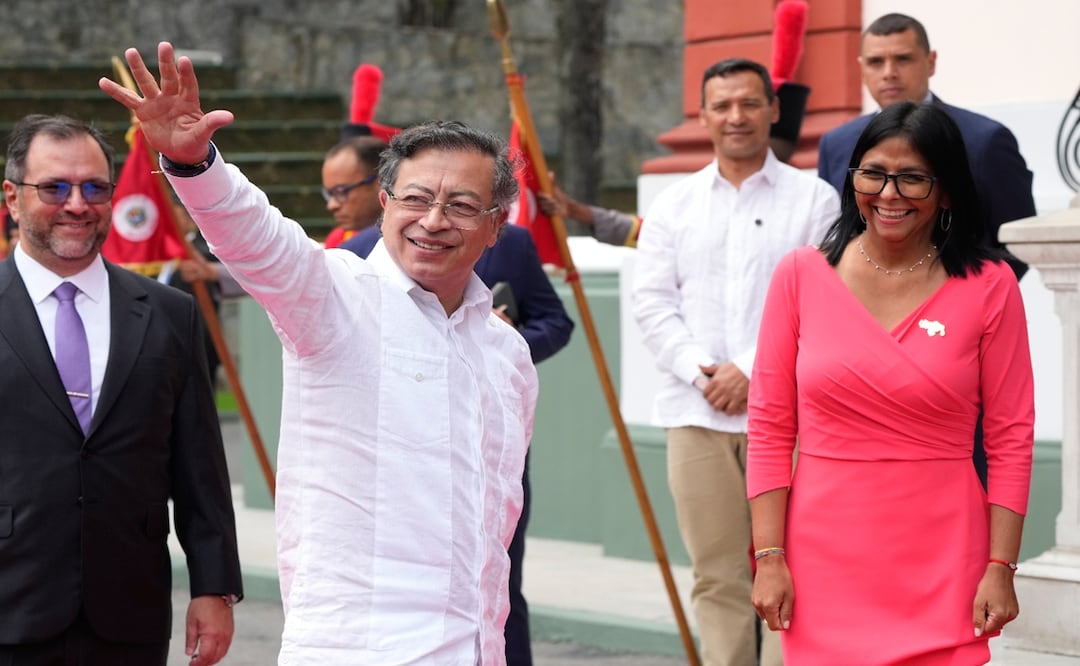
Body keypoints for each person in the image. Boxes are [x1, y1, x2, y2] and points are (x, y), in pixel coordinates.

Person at [100, 42, 540, 664]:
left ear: (497, 226)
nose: (434, 220)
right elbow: (258, 238)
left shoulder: (508, 356)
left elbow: (497, 524)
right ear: (384, 206)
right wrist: (193, 161)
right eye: (416, 199)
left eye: (462, 206)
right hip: (355, 646)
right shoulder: (334, 295)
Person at [748, 101, 1034, 663]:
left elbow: (1010, 438)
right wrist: (770, 556)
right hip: (822, 559)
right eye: (874, 173)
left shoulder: (991, 285)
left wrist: (1001, 567)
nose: (889, 193)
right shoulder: (800, 275)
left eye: (913, 178)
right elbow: (770, 428)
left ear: (946, 190)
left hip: (946, 560)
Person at [0, 113, 242, 665]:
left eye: (94, 188)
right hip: (9, 606)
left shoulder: (169, 313)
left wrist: (214, 585)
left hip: (129, 612)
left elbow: (199, 463)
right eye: (54, 187)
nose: (77, 204)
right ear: (13, 198)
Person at [631, 57, 840, 666]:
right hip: (695, 414)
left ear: (773, 109)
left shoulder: (816, 200)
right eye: (721, 105)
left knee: (795, 569)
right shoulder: (674, 205)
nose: (736, 116)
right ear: (703, 116)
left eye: (749, 103)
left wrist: (752, 369)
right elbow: (651, 303)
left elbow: (822, 303)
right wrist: (705, 369)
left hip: (792, 415)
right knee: (717, 574)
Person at [342, 216, 575, 666]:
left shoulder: (509, 241)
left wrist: (498, 340)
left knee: (498, 581)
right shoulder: (356, 255)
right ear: (388, 193)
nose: (435, 213)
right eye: (419, 191)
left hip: (488, 447)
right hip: (400, 455)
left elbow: (554, 322)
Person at [816, 12, 1035, 280]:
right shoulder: (836, 144)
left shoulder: (985, 140)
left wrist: (968, 299)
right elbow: (839, 234)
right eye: (876, 62)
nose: (889, 73)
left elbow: (1019, 244)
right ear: (861, 69)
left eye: (903, 59)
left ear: (930, 62)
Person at [320, 136, 387, 248]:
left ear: (382, 184)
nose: (331, 205)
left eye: (340, 191)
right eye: (329, 194)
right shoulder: (337, 240)